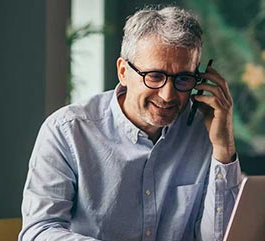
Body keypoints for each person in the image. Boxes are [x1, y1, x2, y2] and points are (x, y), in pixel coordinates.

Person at [19, 5, 242, 241]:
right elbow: (39, 231)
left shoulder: (206, 132)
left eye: (183, 78)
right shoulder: (67, 131)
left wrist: (224, 149)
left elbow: (221, 238)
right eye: (155, 76)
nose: (168, 95)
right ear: (123, 71)